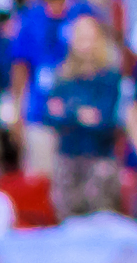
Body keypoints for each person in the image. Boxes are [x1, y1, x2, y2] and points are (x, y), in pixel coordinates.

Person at [45, 14, 123, 217]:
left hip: (99, 160)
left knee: (100, 217)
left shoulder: (110, 78)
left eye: (90, 37)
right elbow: (51, 116)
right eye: (80, 37)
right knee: (66, 217)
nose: (85, 43)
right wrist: (80, 114)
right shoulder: (62, 78)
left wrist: (68, 111)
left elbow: (104, 120)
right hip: (67, 158)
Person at [9, 0, 98, 178]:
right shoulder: (31, 17)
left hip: (78, 122)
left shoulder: (83, 11)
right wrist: (17, 116)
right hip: (40, 116)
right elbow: (20, 70)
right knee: (41, 182)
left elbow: (100, 57)